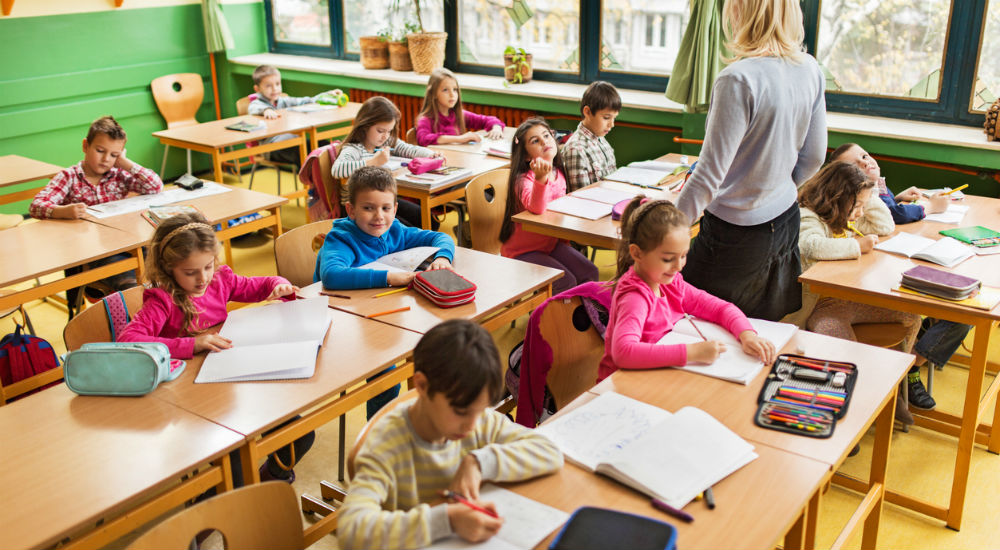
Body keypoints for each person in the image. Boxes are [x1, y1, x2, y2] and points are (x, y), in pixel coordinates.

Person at [118, 212, 313, 482]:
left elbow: (258, 285)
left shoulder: (220, 279)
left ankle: (269, 482)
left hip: (227, 382)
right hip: (187, 399)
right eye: (190, 272)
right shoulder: (163, 299)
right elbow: (128, 340)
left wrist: (279, 284)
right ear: (168, 268)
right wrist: (192, 344)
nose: (203, 278)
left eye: (208, 266)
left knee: (300, 434)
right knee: (234, 464)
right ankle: (218, 499)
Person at [337, 319, 563, 550]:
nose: (471, 426)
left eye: (480, 410)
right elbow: (351, 530)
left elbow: (550, 452)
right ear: (422, 386)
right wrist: (447, 520)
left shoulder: (479, 421)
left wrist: (479, 462)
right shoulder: (385, 444)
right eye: (461, 412)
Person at [676, 0, 826, 321]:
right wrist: (776, 185)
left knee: (693, 319)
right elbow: (814, 156)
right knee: (756, 329)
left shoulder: (737, 79)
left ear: (740, 13)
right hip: (785, 219)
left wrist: (664, 231)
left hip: (734, 233)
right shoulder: (810, 68)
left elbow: (707, 177)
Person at [831, 143, 970, 409]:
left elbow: (889, 209)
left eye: (865, 156)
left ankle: (912, 362)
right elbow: (891, 217)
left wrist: (898, 196)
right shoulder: (854, 199)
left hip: (895, 262)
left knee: (964, 307)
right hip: (875, 277)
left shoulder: (877, 189)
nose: (865, 163)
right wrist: (928, 207)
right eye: (856, 165)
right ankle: (910, 366)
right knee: (960, 315)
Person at [314, 165, 454, 418]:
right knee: (388, 373)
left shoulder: (394, 230)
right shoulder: (341, 238)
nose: (379, 216)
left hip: (381, 313)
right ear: (351, 210)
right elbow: (332, 276)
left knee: (435, 353)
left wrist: (443, 258)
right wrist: (389, 277)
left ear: (395, 209)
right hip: (340, 325)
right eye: (368, 208)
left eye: (386, 208)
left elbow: (440, 238)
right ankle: (377, 431)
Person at [598, 197, 775, 382]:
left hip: (658, 376)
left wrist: (747, 335)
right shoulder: (635, 297)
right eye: (668, 259)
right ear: (637, 253)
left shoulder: (670, 283)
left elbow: (720, 308)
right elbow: (624, 353)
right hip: (621, 384)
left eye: (683, 256)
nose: (678, 266)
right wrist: (692, 352)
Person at [797, 161, 922, 424]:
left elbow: (884, 226)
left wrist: (868, 193)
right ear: (837, 199)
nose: (861, 212)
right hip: (817, 304)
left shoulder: (845, 216)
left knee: (910, 315)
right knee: (837, 340)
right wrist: (857, 246)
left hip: (847, 300)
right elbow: (810, 246)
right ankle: (856, 403)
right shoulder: (810, 216)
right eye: (857, 206)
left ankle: (890, 387)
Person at [30, 115, 163, 304]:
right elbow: (36, 205)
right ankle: (134, 318)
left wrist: (125, 163)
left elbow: (155, 186)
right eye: (100, 151)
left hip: (128, 242)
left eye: (114, 155)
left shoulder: (119, 174)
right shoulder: (69, 177)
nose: (106, 159)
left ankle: (164, 315)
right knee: (132, 286)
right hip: (94, 253)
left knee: (166, 267)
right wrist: (62, 211)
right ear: (86, 146)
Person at [498, 117, 599, 294]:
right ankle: (558, 312)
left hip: (550, 245)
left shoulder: (558, 173)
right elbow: (536, 208)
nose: (544, 142)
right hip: (522, 252)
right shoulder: (522, 180)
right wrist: (540, 179)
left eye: (546, 135)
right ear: (527, 156)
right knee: (566, 282)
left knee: (590, 272)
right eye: (535, 141)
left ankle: (585, 310)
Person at [332, 96, 443, 229]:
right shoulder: (354, 149)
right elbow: (337, 170)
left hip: (382, 202)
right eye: (380, 131)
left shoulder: (385, 142)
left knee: (431, 221)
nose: (385, 136)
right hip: (361, 209)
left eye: (389, 131)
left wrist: (430, 154)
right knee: (408, 231)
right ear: (365, 126)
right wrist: (373, 161)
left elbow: (407, 149)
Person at [247, 64, 323, 165]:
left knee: (323, 145)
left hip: (294, 141)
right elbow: (253, 108)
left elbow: (303, 101)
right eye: (268, 86)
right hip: (272, 148)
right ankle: (309, 174)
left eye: (277, 84)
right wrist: (266, 110)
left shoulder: (283, 101)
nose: (274, 89)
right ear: (257, 89)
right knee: (304, 155)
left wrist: (324, 96)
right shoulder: (257, 104)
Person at [415, 68, 504, 147]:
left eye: (455, 89)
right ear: (433, 93)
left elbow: (488, 120)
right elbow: (423, 139)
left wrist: (496, 128)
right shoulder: (425, 119)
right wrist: (460, 139)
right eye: (445, 90)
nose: (452, 94)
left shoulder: (459, 114)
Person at [560, 80, 621, 192]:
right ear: (587, 112)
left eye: (614, 118)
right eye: (606, 118)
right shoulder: (576, 149)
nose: (612, 124)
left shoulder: (601, 140)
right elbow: (581, 196)